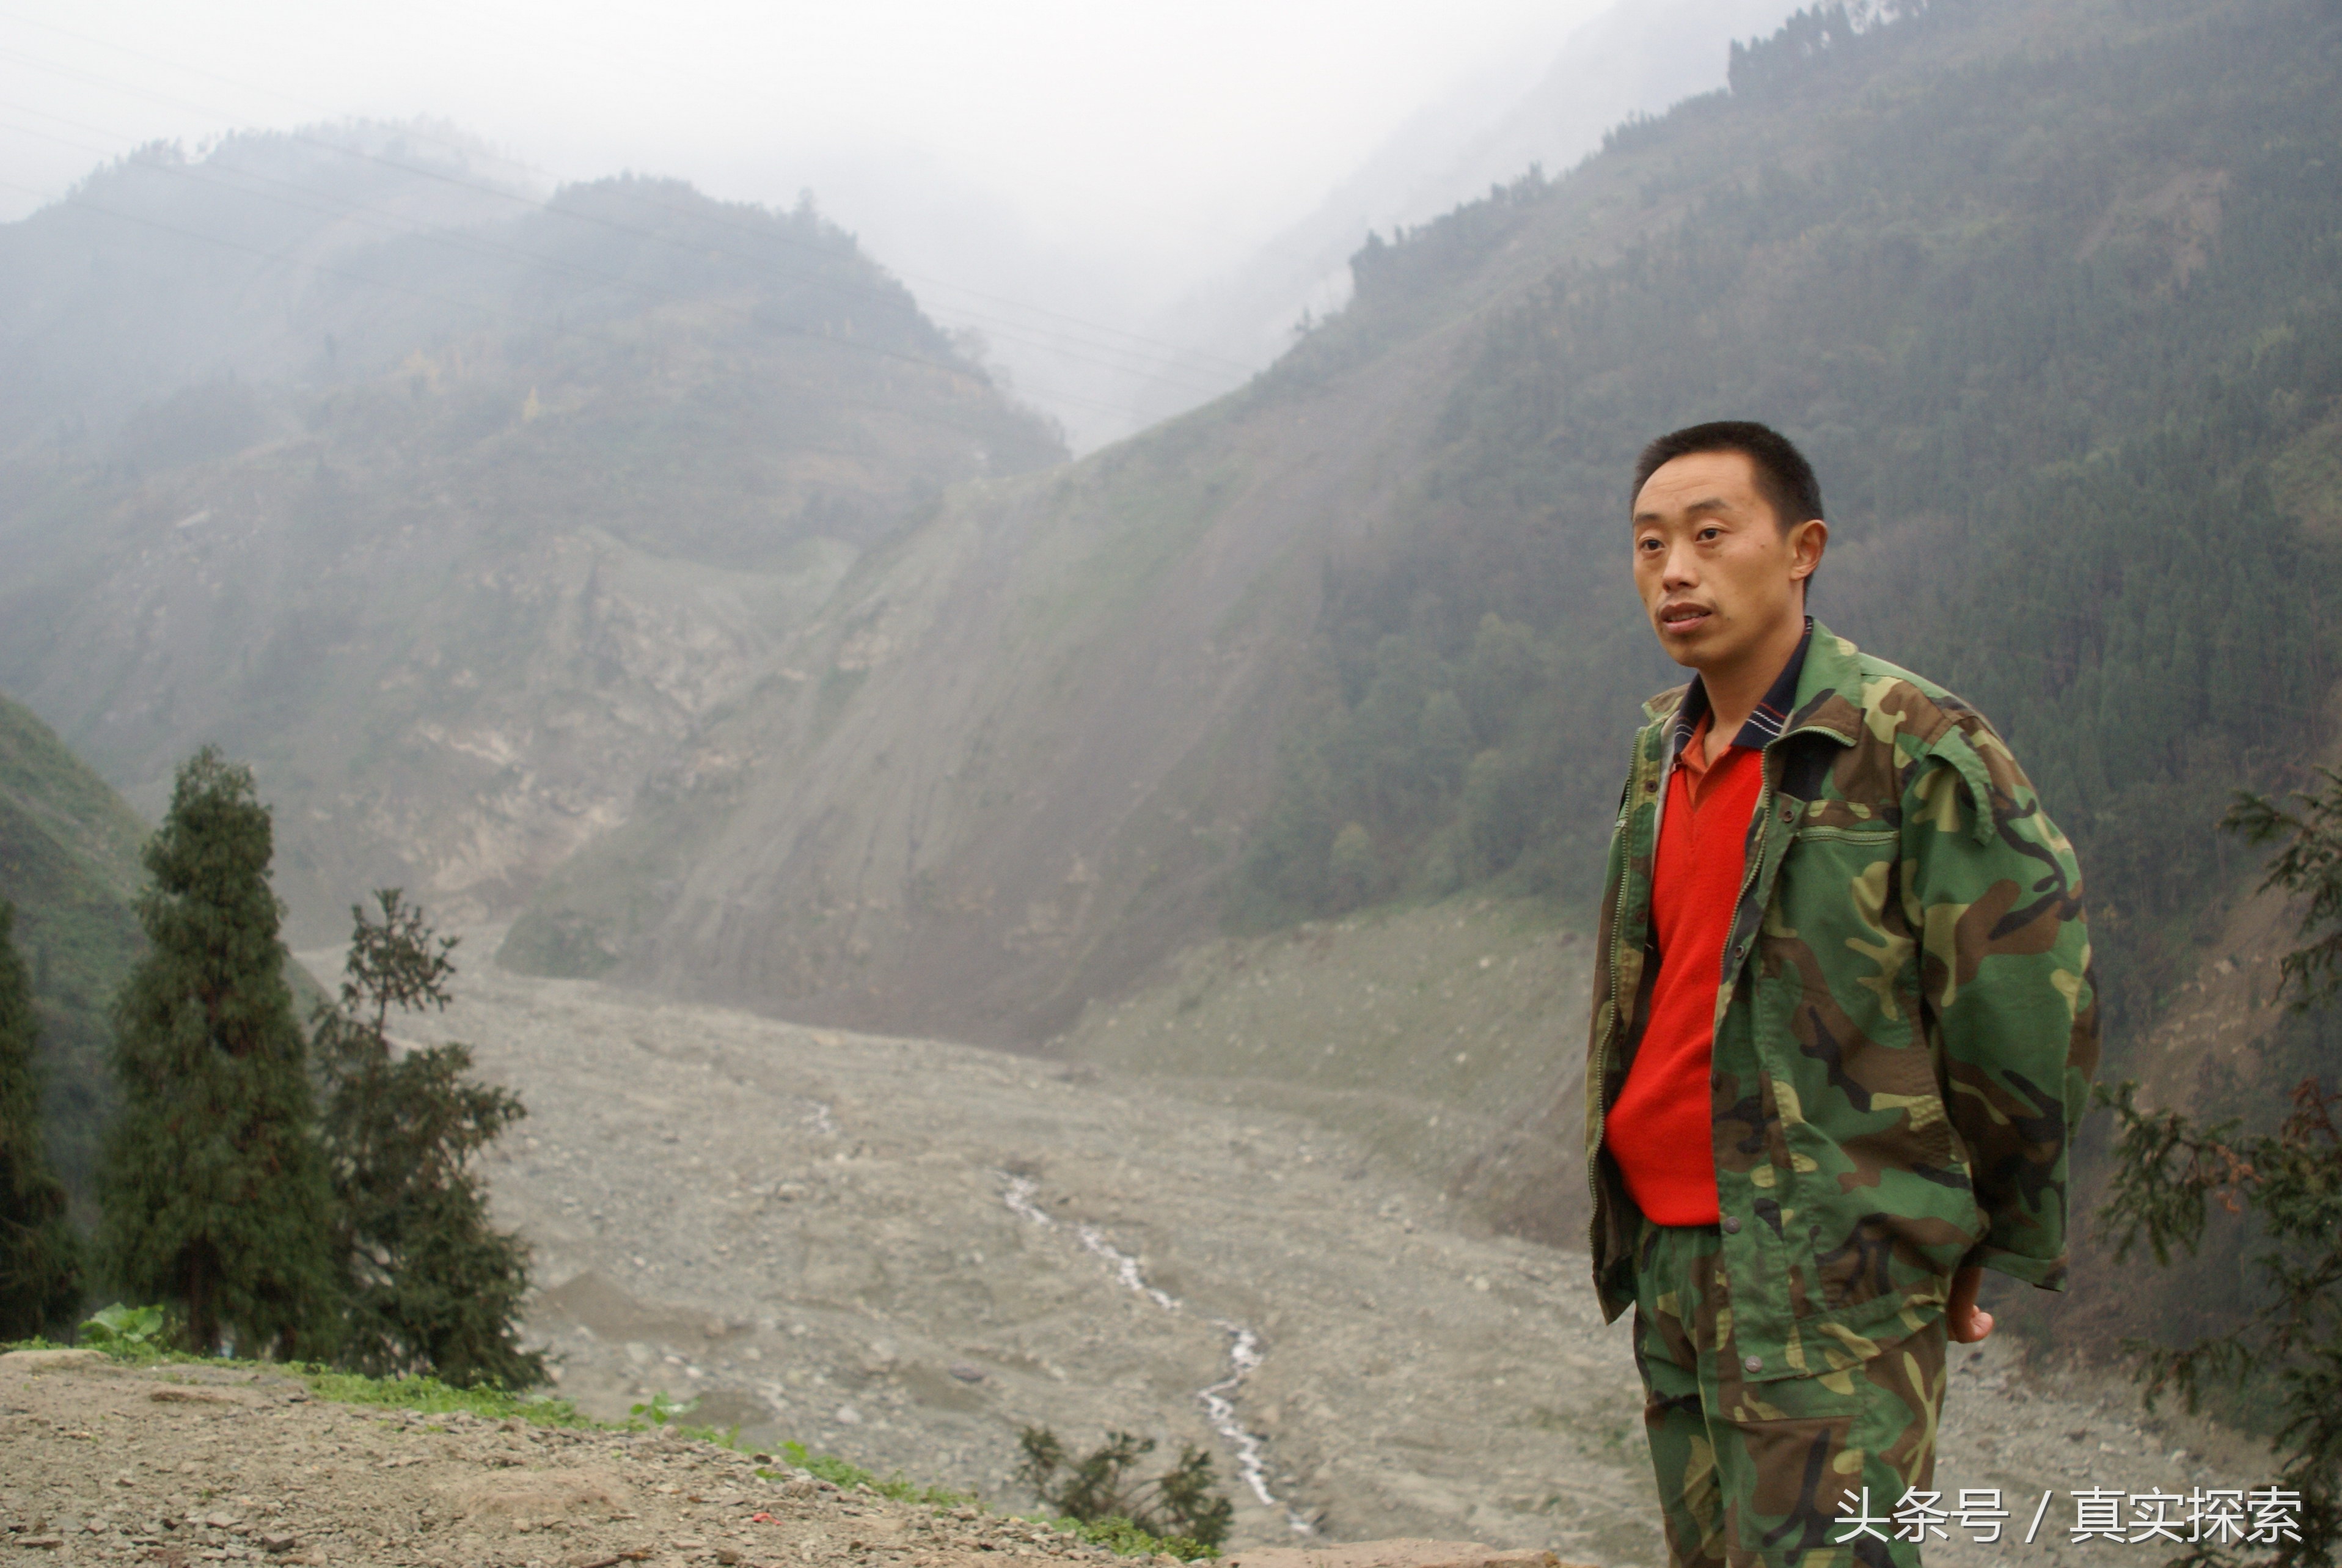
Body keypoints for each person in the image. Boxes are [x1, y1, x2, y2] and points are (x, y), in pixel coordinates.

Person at [1583, 421, 2098, 1568]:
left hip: (1828, 1271)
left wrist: (1978, 1235)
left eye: (1710, 536)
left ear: (1802, 546)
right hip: (1671, 1254)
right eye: (1649, 544)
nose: (1674, 570)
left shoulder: (1908, 746)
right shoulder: (1661, 750)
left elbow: (2022, 1002)